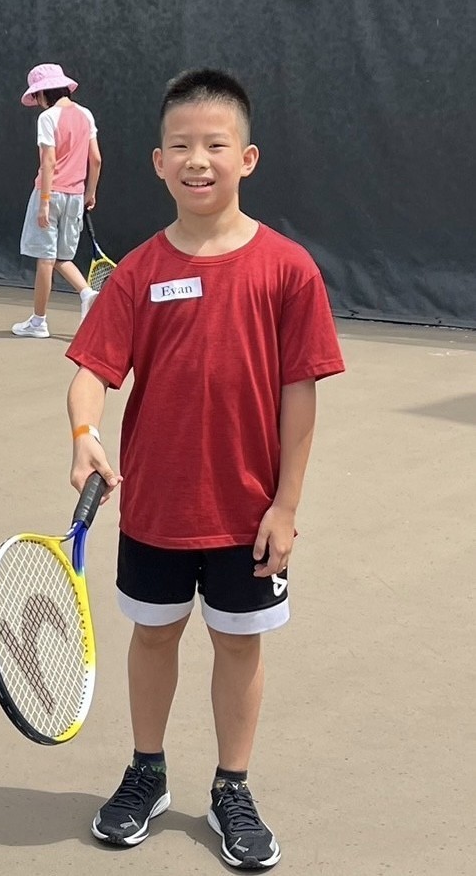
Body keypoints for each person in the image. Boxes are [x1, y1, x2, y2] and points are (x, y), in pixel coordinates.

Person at [65, 68, 345, 869]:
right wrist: (84, 432)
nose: (197, 160)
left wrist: (285, 506)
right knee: (153, 638)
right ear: (157, 163)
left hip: (247, 514)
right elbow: (90, 371)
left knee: (238, 647)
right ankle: (146, 773)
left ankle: (231, 788)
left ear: (245, 158)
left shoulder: (288, 269)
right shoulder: (138, 272)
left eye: (214, 145)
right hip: (155, 509)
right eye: (180, 146)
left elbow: (299, 397)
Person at [11, 63, 102, 338]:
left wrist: (45, 202)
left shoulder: (47, 118)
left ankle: (38, 322)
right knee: (61, 257)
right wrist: (90, 192)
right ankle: (87, 294)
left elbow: (48, 161)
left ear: (43, 93)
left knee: (45, 260)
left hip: (50, 194)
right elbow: (96, 159)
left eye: (36, 95)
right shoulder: (86, 114)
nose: (36, 101)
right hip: (75, 197)